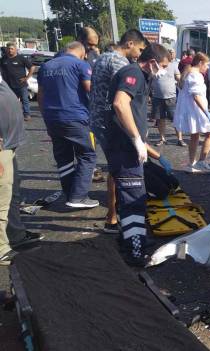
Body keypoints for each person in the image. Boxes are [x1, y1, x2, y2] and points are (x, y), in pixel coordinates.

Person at [106, 43, 171, 266]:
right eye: (162, 66)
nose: (163, 71)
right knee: (134, 200)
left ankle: (131, 240)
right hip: (125, 148)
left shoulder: (140, 75)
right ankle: (136, 252)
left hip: (125, 147)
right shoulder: (134, 73)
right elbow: (120, 103)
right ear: (152, 61)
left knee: (130, 199)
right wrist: (136, 139)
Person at [89, 29, 147, 234]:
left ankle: (113, 215)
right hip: (111, 123)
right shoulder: (121, 64)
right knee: (121, 171)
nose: (140, 54)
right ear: (130, 43)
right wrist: (136, 136)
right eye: (139, 49)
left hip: (97, 119)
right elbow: (121, 102)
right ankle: (117, 217)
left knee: (115, 170)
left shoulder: (102, 57)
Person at [37, 42, 99, 209]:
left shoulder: (46, 66)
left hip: (52, 118)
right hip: (76, 117)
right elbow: (90, 89)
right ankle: (78, 196)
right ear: (81, 52)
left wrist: (46, 118)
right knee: (87, 155)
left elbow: (40, 96)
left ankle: (70, 192)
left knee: (63, 157)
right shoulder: (80, 64)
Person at [0, 75, 42, 265]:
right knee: (2, 197)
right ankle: (1, 249)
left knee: (12, 193)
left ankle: (14, 235)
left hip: (8, 146)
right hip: (2, 150)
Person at [174, 53, 210, 173]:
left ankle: (191, 164)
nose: (207, 67)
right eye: (206, 65)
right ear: (200, 63)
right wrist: (206, 112)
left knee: (195, 136)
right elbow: (196, 96)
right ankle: (201, 161)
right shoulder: (195, 75)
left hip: (193, 109)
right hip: (197, 110)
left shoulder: (189, 73)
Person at [152, 48, 183, 146]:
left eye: (171, 53)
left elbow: (179, 78)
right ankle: (162, 138)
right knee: (160, 119)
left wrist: (182, 81)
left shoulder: (173, 66)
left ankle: (180, 139)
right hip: (157, 96)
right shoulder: (155, 65)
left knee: (175, 118)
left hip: (171, 97)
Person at [0, 43, 35, 121]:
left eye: (12, 49)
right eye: (8, 49)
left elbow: (32, 67)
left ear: (16, 49)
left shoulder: (21, 58)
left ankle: (27, 115)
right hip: (8, 85)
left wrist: (26, 78)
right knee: (10, 101)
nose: (10, 50)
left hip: (21, 84)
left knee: (25, 100)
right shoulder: (3, 59)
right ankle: (12, 115)